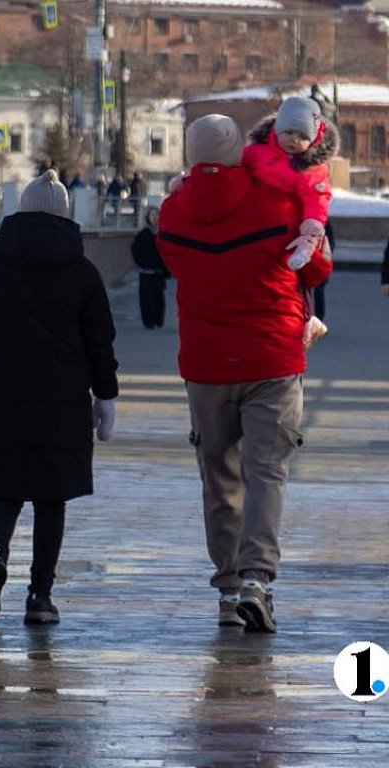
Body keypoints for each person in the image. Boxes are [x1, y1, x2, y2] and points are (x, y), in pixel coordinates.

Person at [156, 114, 333, 633]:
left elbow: (172, 262)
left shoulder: (173, 212)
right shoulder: (278, 204)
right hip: (272, 359)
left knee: (219, 474)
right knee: (266, 472)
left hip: (207, 363)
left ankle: (229, 586)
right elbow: (317, 268)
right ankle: (257, 580)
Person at [0, 170, 119, 625]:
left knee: (3, 491)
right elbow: (100, 341)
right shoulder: (82, 271)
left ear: (19, 210)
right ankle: (40, 596)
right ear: (65, 213)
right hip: (63, 400)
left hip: (3, 395)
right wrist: (106, 397)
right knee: (50, 498)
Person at [242, 96, 338, 270]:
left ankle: (306, 247)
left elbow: (316, 198)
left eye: (302, 136)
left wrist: (312, 221)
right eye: (288, 133)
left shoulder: (311, 168)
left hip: (290, 225)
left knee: (310, 228)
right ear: (277, 130)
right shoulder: (257, 152)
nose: (294, 140)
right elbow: (234, 167)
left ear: (313, 140)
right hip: (255, 222)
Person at [131, 205, 169, 329]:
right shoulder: (143, 235)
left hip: (158, 272)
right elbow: (135, 250)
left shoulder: (162, 234)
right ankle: (148, 321)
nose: (155, 218)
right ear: (147, 217)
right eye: (152, 215)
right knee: (146, 297)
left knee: (158, 297)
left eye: (157, 215)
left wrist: (166, 269)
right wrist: (141, 262)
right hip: (146, 272)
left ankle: (158, 320)